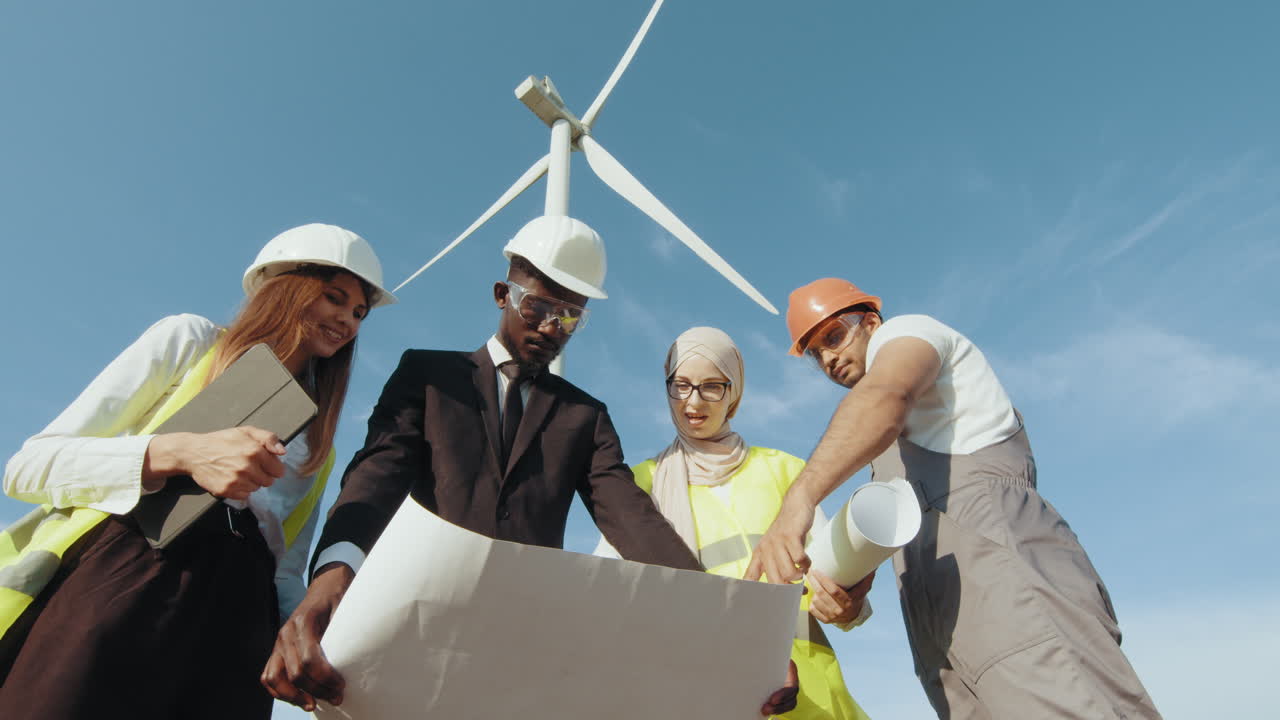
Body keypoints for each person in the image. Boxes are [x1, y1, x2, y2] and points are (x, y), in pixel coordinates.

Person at [261, 216, 799, 717]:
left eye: (570, 316)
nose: (551, 327)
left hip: (520, 654)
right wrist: (331, 583)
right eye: (536, 306)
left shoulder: (584, 417)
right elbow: (374, 479)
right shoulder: (427, 377)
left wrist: (732, 630)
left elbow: (636, 524)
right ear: (502, 294)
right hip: (413, 627)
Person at [0, 223, 395, 720]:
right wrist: (179, 453)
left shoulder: (321, 444)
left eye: (359, 312)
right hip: (130, 569)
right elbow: (28, 467)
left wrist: (313, 634)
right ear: (284, 286)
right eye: (334, 298)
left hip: (239, 622)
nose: (348, 321)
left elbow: (285, 568)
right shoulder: (189, 341)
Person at [745, 278, 1163, 719]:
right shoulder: (880, 453)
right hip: (941, 640)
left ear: (870, 322)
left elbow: (887, 395)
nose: (827, 358)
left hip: (1011, 593)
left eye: (833, 336)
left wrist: (799, 500)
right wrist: (846, 591)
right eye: (814, 353)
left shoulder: (909, 334)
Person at [594, 326, 875, 720]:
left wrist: (851, 608)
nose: (694, 401)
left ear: (734, 393)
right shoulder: (638, 487)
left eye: (712, 386)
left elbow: (841, 592)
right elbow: (610, 603)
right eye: (681, 385)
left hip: (815, 702)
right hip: (701, 697)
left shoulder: (787, 472)